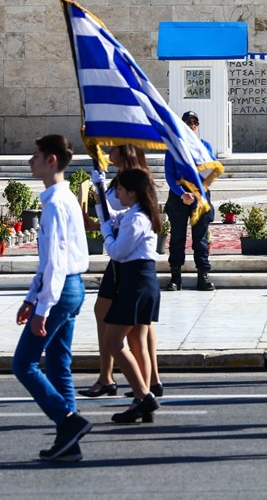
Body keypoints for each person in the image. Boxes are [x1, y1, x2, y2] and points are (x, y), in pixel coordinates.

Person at [12, 134, 91, 463]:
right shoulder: (63, 198)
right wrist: (32, 297)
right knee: (59, 364)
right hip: (70, 288)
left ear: (52, 160)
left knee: (24, 364)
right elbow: (49, 262)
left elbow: (55, 262)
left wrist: (42, 307)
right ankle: (68, 440)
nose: (31, 160)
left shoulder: (57, 203)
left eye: (36, 155)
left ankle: (68, 420)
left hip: (60, 291)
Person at [79, 144, 164, 399]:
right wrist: (99, 198)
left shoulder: (136, 181)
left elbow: (119, 229)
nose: (108, 153)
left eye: (114, 149)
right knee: (127, 323)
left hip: (128, 264)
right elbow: (115, 217)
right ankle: (142, 385)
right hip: (126, 263)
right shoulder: (122, 181)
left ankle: (143, 386)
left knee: (132, 328)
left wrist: (104, 225)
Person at [98, 168, 163, 424]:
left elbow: (118, 251)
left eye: (121, 190)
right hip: (139, 281)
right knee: (137, 341)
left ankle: (144, 396)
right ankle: (142, 398)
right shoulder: (136, 213)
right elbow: (112, 216)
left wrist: (105, 233)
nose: (119, 194)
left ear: (133, 193)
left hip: (135, 281)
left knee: (113, 341)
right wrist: (100, 191)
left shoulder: (137, 218)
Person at [164, 111, 215, 291]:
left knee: (200, 238)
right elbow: (169, 175)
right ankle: (175, 277)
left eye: (195, 123)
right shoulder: (173, 149)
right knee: (177, 237)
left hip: (199, 198)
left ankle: (203, 275)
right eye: (188, 122)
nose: (192, 126)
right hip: (179, 198)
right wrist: (182, 194)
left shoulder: (205, 146)